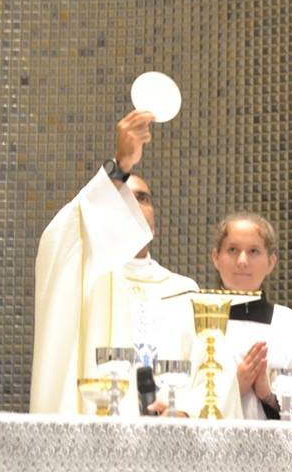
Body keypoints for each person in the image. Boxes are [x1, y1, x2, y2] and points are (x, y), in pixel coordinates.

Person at [30, 110, 205, 415]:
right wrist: (119, 166)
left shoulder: (185, 291)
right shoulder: (87, 277)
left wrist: (185, 408)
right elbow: (57, 240)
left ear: (155, 220)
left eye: (142, 198)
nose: (132, 205)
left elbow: (206, 373)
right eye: (122, 195)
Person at [211, 212, 292, 420]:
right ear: (216, 258)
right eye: (232, 250)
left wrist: (270, 396)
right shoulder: (192, 323)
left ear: (271, 262)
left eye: (254, 251)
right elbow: (170, 398)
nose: (242, 261)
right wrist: (233, 388)